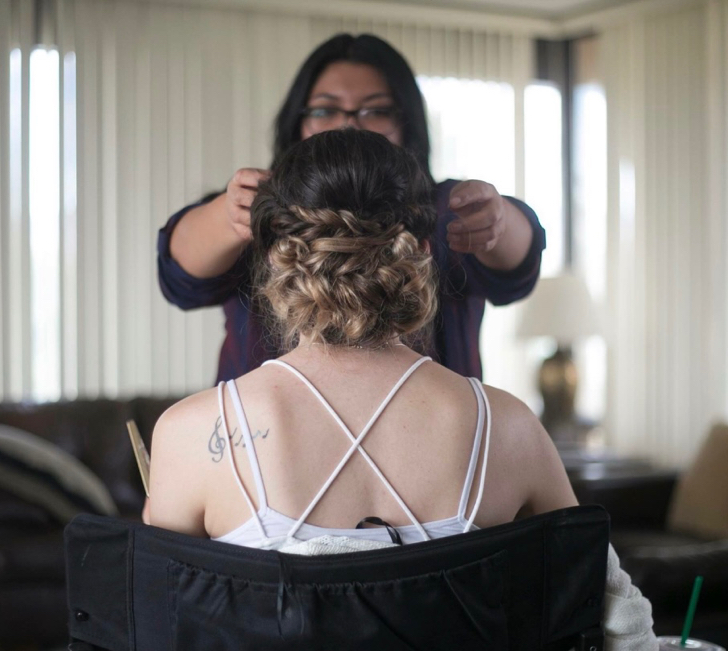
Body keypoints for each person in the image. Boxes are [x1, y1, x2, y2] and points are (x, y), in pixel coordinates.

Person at [148, 129, 657, 649]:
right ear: (421, 252)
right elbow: (608, 615)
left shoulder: (192, 434)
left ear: (274, 257)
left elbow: (154, 626)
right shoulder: (507, 427)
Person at [157, 33, 545, 383]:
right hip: (265, 444)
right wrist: (228, 217)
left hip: (432, 444)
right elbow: (181, 279)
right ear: (298, 123)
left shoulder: (443, 211)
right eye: (326, 110)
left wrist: (499, 221)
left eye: (375, 110)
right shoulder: (259, 208)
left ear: (406, 123)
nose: (349, 127)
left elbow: (517, 269)